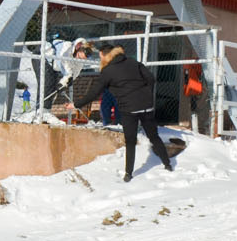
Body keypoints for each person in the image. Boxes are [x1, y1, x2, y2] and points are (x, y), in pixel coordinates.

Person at [74, 44, 175, 183]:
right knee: (154, 136)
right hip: (146, 106)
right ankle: (167, 164)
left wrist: (75, 105)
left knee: (130, 141)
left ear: (104, 55)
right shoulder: (133, 62)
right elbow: (151, 78)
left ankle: (128, 173)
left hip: (129, 109)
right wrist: (146, 93)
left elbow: (94, 92)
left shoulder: (108, 71)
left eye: (100, 56)